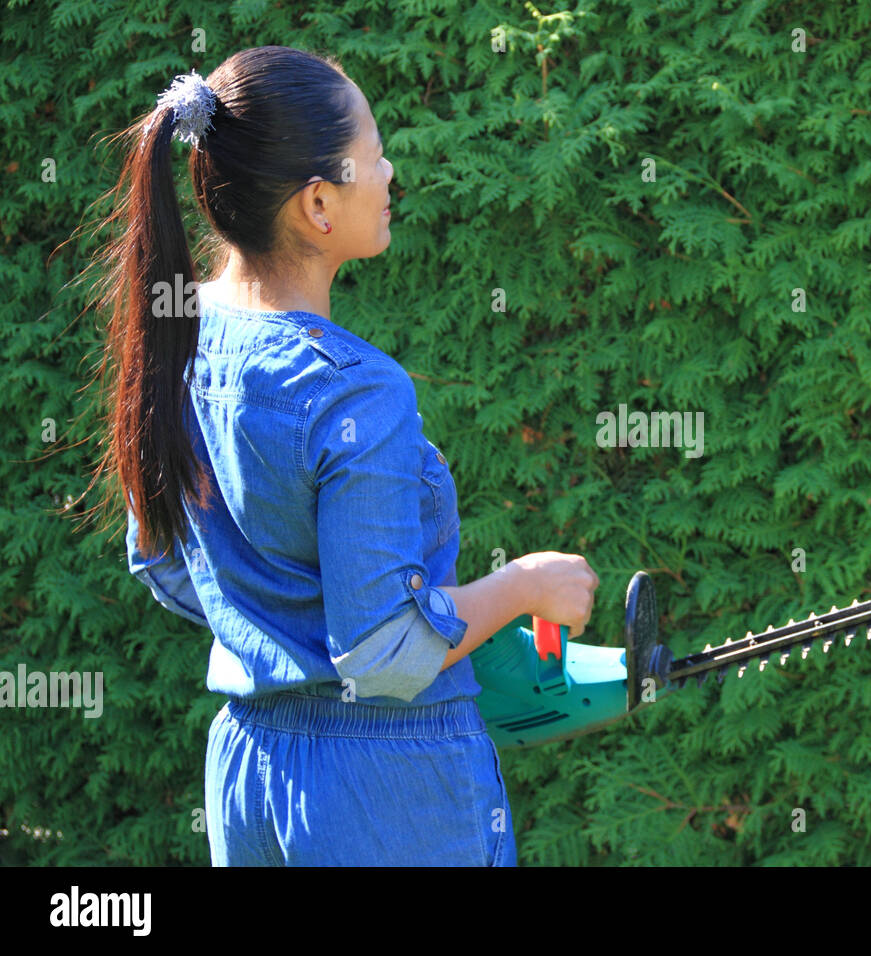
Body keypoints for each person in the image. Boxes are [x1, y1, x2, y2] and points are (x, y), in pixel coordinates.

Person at [83, 45, 598, 865]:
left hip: (249, 773)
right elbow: (387, 654)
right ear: (319, 203)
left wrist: (284, 642)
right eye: (373, 156)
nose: (391, 172)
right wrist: (524, 585)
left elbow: (163, 563)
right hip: (386, 790)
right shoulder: (358, 391)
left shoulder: (181, 335)